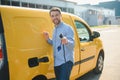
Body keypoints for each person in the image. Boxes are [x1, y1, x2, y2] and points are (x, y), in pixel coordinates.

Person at [43, 7, 74, 80]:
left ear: (61, 15)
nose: (55, 17)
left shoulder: (68, 28)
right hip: (57, 62)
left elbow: (72, 45)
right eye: (52, 16)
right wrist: (48, 39)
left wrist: (67, 42)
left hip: (66, 62)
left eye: (56, 15)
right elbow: (55, 44)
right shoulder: (54, 30)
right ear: (51, 18)